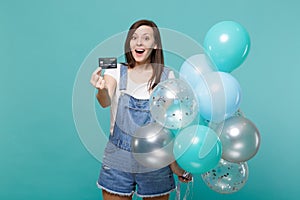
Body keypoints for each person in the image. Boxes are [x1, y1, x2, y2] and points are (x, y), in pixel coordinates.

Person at [90, 19, 192, 200]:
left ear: (155, 44)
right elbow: (105, 101)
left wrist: (174, 164)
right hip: (118, 159)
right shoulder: (115, 70)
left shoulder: (167, 75)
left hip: (156, 160)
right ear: (129, 43)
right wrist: (101, 88)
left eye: (146, 38)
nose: (139, 42)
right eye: (134, 38)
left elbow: (166, 128)